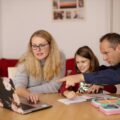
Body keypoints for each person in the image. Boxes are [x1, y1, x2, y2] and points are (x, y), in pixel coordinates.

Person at [13, 30, 66, 104]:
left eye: (42, 45)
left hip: (51, 100)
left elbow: (54, 86)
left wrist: (26, 90)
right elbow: (18, 87)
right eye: (34, 46)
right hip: (28, 100)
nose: (38, 49)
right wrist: (27, 94)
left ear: (51, 45)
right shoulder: (25, 59)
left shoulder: (59, 56)